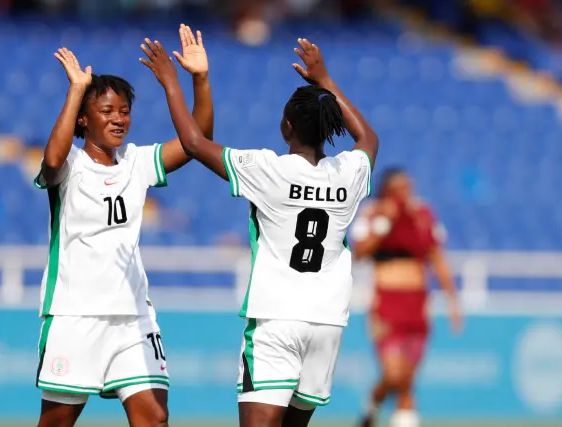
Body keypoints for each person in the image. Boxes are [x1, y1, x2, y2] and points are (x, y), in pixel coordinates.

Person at [139, 37, 379, 427]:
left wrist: (172, 81)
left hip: (277, 318)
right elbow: (369, 139)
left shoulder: (270, 170)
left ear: (286, 127)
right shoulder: (347, 173)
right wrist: (325, 80)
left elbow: (195, 143)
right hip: (328, 321)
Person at [33, 24, 213, 427]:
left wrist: (193, 80)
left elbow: (198, 140)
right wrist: (77, 88)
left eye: (125, 111)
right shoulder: (72, 166)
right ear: (83, 120)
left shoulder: (136, 162)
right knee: (56, 423)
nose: (118, 119)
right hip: (75, 313)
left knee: (154, 416)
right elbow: (52, 161)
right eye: (107, 111)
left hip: (133, 316)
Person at [350, 167, 462, 427]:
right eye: (401, 188)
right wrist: (384, 222)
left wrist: (453, 301)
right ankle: (373, 403)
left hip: (417, 304)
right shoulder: (373, 213)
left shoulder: (422, 215)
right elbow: (361, 251)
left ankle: (397, 415)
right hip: (386, 304)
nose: (407, 193)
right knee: (392, 374)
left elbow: (437, 259)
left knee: (407, 382)